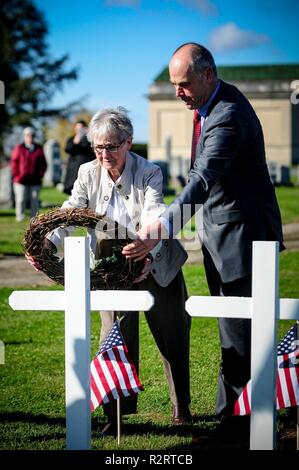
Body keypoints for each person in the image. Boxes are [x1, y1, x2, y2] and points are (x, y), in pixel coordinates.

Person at [122, 43, 285, 420]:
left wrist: (162, 227)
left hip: (242, 240)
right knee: (234, 330)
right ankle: (234, 414)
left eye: (184, 83)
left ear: (208, 74)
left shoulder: (227, 115)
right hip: (224, 235)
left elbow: (203, 178)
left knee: (239, 332)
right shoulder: (210, 104)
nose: (178, 91)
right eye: (173, 84)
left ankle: (238, 420)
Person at [26, 107, 192, 436]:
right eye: (98, 147)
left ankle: (181, 405)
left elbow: (154, 210)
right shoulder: (88, 173)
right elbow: (71, 211)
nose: (104, 154)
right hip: (110, 267)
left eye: (112, 146)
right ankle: (115, 415)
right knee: (114, 338)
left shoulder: (149, 171)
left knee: (171, 333)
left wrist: (147, 248)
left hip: (156, 259)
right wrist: (46, 245)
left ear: (129, 143)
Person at [11, 126, 47, 222]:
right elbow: (14, 163)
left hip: (35, 180)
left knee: (34, 200)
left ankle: (34, 218)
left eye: (31, 135)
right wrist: (17, 176)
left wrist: (40, 175)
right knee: (20, 199)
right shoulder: (19, 148)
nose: (29, 137)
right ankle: (20, 216)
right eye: (27, 135)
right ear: (24, 136)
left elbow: (43, 164)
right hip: (20, 180)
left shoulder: (39, 148)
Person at [63, 119, 94, 195]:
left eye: (81, 129)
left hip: (85, 168)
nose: (79, 131)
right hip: (73, 170)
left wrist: (87, 135)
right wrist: (75, 142)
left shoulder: (89, 139)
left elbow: (89, 148)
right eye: (77, 129)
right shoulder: (72, 139)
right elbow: (67, 149)